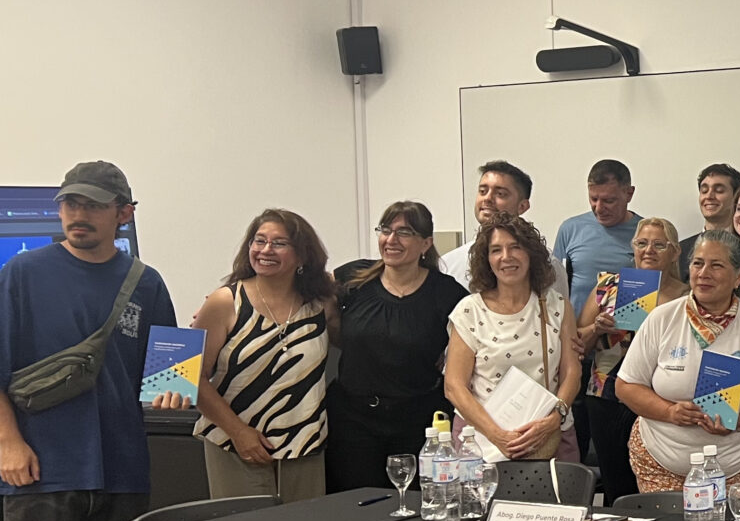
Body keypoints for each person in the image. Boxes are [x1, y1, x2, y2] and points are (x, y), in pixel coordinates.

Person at [0, 162, 179, 521]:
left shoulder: (146, 282)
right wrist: (8, 444)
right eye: (71, 204)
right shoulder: (22, 273)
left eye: (93, 206)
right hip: (42, 470)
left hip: (123, 472)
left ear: (124, 213)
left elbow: (167, 375)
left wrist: (175, 390)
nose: (78, 215)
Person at [617, 229, 740, 512]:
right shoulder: (662, 318)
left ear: (738, 276)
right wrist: (669, 411)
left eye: (716, 265)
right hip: (662, 460)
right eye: (697, 263)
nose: (704, 273)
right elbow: (626, 385)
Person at [188, 209, 335, 502]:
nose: (266, 250)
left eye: (279, 243)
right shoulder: (224, 301)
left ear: (302, 255)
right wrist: (238, 433)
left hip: (304, 447)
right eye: (259, 241)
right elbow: (189, 376)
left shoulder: (321, 304)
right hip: (235, 445)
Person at [325, 201, 467, 492]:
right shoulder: (352, 278)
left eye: (404, 232)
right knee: (353, 505)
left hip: (418, 422)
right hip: (353, 420)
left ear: (426, 243)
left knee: (413, 506)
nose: (391, 239)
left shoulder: (447, 293)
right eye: (385, 230)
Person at [445, 215, 580, 463]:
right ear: (487, 259)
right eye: (496, 250)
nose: (506, 257)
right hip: (481, 439)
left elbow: (571, 371)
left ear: (531, 254)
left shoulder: (557, 306)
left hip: (549, 433)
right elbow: (454, 386)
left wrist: (556, 417)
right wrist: (498, 436)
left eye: (515, 247)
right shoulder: (469, 311)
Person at [578, 216, 687, 504]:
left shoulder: (686, 296)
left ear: (675, 252)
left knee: (654, 485)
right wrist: (596, 329)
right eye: (642, 243)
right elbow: (578, 343)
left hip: (659, 398)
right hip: (606, 396)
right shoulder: (609, 286)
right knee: (616, 483)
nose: (649, 250)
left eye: (659, 245)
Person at [550, 160, 641, 472]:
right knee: (573, 443)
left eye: (609, 200)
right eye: (594, 199)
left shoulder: (645, 233)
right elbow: (555, 286)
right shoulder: (571, 229)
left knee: (617, 450)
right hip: (577, 348)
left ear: (629, 193)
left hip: (622, 356)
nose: (600, 208)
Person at [446, 160, 534, 290]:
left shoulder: (545, 265)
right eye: (483, 191)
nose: (487, 198)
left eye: (500, 194)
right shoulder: (447, 266)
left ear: (522, 206)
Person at [678, 163, 740, 281]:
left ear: (737, 197)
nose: (709, 196)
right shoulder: (679, 251)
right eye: (704, 191)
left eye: (719, 191)